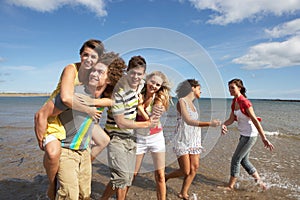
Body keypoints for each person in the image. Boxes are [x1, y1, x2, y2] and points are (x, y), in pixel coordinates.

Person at [34, 39, 107, 200]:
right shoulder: (71, 68)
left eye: (93, 57)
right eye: (85, 55)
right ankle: (52, 184)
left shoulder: (93, 73)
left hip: (72, 114)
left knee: (103, 140)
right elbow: (66, 98)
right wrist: (89, 109)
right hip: (55, 114)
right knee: (53, 153)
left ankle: (73, 169)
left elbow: (106, 86)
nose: (88, 59)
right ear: (80, 55)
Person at [101, 56, 161, 200]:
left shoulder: (140, 87)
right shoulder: (119, 91)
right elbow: (121, 122)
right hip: (115, 138)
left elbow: (158, 86)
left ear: (144, 75)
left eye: (139, 74)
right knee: (121, 178)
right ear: (127, 72)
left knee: (125, 179)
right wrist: (146, 124)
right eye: (132, 73)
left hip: (131, 139)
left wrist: (153, 103)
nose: (135, 76)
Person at [55, 60, 112, 199]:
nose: (94, 74)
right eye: (93, 70)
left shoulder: (103, 98)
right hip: (67, 150)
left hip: (85, 151)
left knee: (85, 194)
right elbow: (47, 111)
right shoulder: (75, 92)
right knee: (69, 196)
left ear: (109, 79)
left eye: (100, 72)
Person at [165, 79, 221, 200]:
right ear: (192, 88)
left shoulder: (193, 105)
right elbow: (188, 121)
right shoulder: (181, 101)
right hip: (182, 139)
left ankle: (183, 192)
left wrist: (220, 126)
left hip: (194, 139)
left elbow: (195, 122)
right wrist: (210, 123)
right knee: (185, 170)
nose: (201, 91)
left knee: (194, 168)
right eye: (199, 88)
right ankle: (166, 177)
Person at [220, 78, 274, 190]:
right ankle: (261, 183)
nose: (230, 90)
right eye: (229, 88)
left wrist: (264, 138)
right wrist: (223, 124)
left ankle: (230, 186)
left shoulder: (245, 102)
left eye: (232, 88)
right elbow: (231, 119)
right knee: (244, 160)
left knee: (235, 159)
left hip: (250, 135)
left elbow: (255, 120)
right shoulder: (234, 102)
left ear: (239, 88)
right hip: (244, 134)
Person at [132, 71, 171, 200]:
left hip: (156, 138)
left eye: (158, 84)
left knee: (160, 175)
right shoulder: (139, 93)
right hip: (140, 139)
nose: (154, 86)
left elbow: (152, 123)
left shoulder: (159, 99)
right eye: (152, 82)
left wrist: (140, 107)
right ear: (147, 81)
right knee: (133, 173)